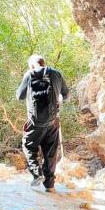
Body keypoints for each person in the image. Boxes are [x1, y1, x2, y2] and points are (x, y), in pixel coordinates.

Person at [15, 54, 69, 192]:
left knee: (28, 146)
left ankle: (36, 173)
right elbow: (66, 95)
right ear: (44, 63)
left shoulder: (29, 74)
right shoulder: (57, 74)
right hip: (53, 122)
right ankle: (50, 185)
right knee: (50, 153)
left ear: (32, 66)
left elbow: (19, 96)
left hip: (34, 122)